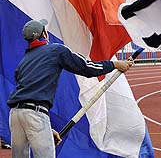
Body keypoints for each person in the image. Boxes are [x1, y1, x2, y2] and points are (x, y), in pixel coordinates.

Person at [7, 19, 133, 158]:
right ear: (44, 33)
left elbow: (28, 89)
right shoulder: (56, 50)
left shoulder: (25, 59)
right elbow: (85, 67)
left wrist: (47, 129)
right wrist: (114, 65)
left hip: (15, 114)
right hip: (36, 113)